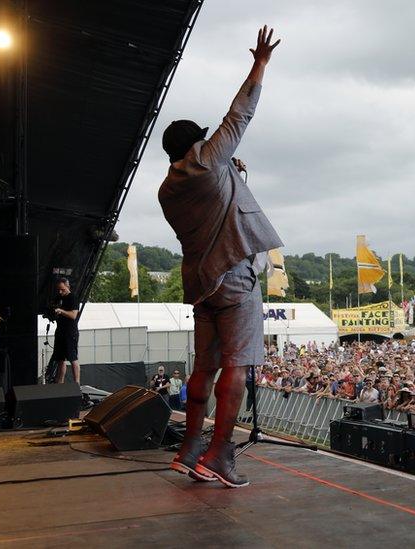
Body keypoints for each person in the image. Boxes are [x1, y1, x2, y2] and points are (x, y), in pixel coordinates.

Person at [160, 26, 281, 488]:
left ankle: (190, 448)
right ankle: (219, 455)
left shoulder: (168, 188)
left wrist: (229, 169)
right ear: (196, 145)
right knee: (238, 365)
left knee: (204, 366)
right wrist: (260, 63)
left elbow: (209, 191)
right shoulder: (210, 162)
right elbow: (239, 115)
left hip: (202, 284)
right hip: (235, 280)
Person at [52, 277, 81, 384]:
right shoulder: (58, 297)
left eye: (62, 290)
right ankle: (60, 383)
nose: (60, 292)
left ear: (67, 287)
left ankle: (76, 383)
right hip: (60, 330)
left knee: (73, 358)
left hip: (70, 332)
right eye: (59, 289)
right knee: (60, 359)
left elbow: (73, 315)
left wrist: (61, 311)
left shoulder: (73, 298)